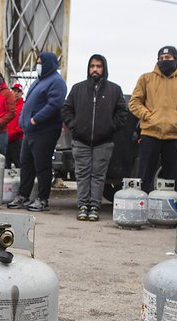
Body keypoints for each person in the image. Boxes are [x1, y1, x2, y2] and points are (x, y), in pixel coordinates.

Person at [62, 54, 128, 221]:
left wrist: (110, 128)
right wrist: (74, 125)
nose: (95, 69)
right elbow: (66, 109)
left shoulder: (114, 90)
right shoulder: (78, 89)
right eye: (92, 66)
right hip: (81, 140)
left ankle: (94, 207)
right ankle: (83, 206)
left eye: (98, 66)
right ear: (88, 68)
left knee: (98, 176)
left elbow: (122, 113)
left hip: (103, 142)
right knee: (82, 175)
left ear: (104, 68)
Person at [129, 46, 177, 194]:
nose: (164, 61)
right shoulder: (146, 78)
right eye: (161, 58)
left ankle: (169, 210)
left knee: (171, 178)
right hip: (149, 134)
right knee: (144, 176)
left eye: (167, 58)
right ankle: (144, 207)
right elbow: (134, 102)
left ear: (175, 59)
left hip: (174, 135)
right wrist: (149, 116)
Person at [7, 52, 67, 212]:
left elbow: (55, 104)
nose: (38, 65)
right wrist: (24, 122)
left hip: (45, 131)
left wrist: (36, 119)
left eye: (41, 62)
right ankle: (23, 196)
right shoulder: (38, 81)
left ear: (49, 64)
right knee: (26, 164)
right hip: (30, 131)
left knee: (42, 166)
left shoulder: (56, 82)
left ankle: (42, 199)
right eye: (37, 62)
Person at [6, 83, 24, 169]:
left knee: (19, 164)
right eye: (14, 91)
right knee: (5, 165)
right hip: (6, 139)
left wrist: (14, 132)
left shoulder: (24, 106)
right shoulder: (7, 105)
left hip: (17, 140)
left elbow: (23, 123)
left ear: (21, 94)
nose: (16, 93)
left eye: (18, 91)